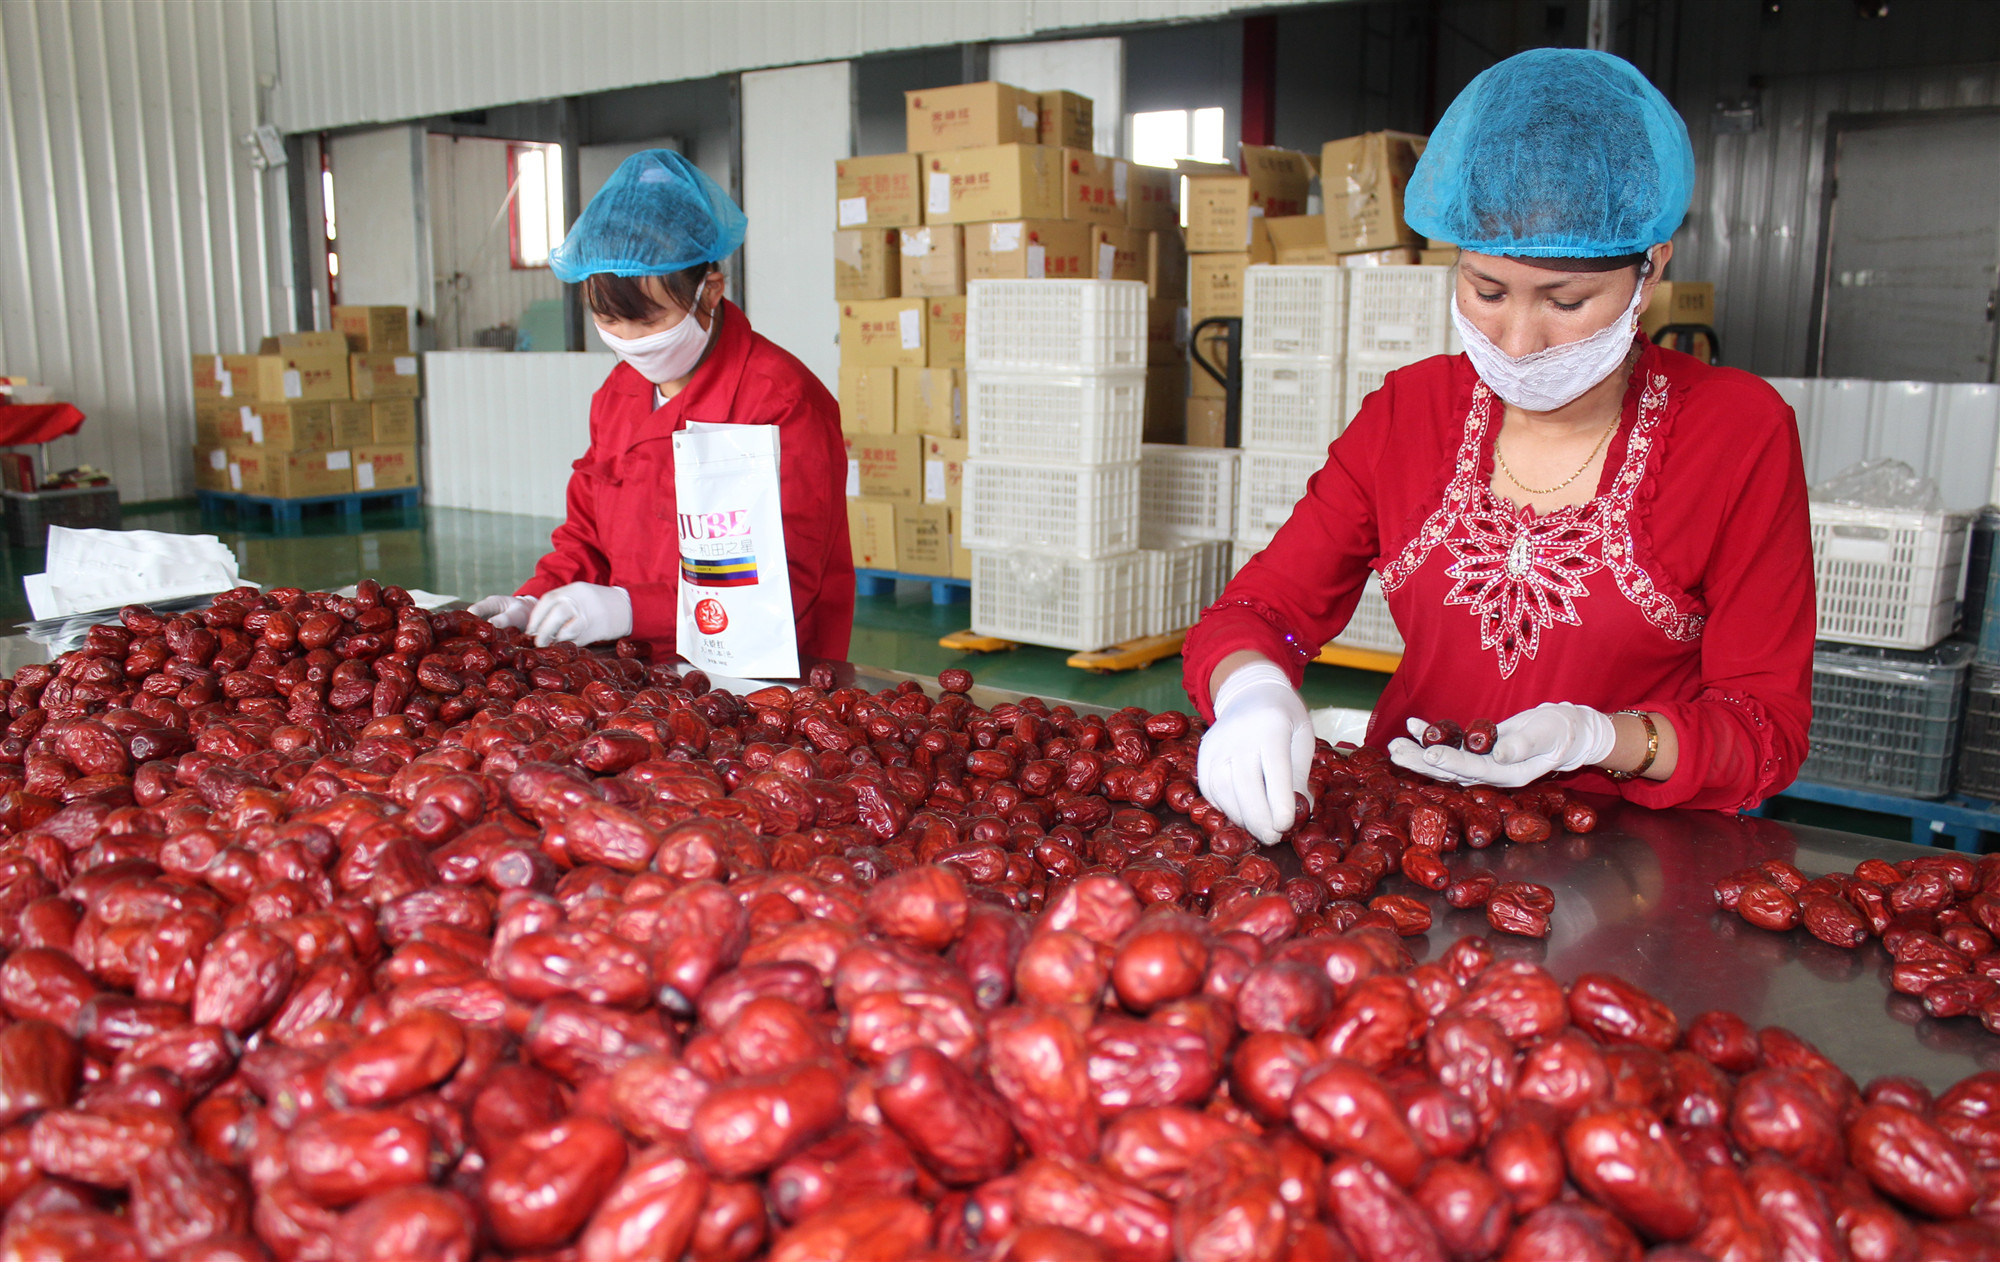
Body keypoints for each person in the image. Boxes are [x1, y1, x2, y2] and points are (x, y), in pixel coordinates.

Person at [1184, 48, 1814, 844]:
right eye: (1486, 291)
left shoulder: (1737, 434)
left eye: (1567, 299)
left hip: (1625, 870)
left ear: (1651, 269)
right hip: (1407, 845)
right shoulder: (1411, 412)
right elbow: (1258, 611)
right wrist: (1253, 689)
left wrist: (1602, 738)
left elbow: (1766, 728)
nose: (1518, 341)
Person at [469, 150, 854, 662]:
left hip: (757, 681)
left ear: (709, 291)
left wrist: (630, 610)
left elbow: (785, 582)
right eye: (608, 321)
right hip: (640, 671)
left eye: (649, 322)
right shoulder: (619, 395)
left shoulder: (779, 402)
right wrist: (538, 596)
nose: (628, 342)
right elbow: (587, 533)